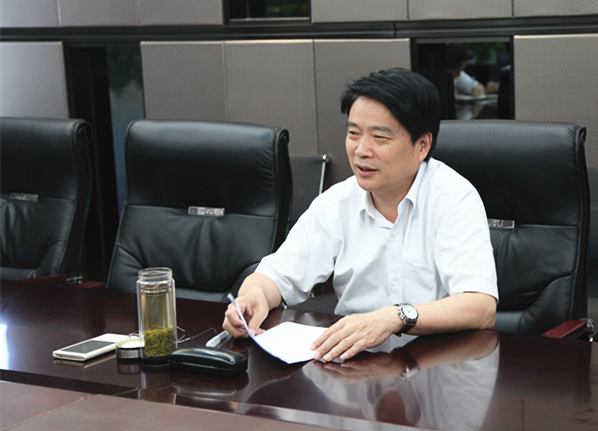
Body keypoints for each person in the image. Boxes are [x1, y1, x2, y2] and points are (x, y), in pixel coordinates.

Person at [223, 67, 498, 362]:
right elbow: (275, 276)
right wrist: (253, 297)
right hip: (353, 365)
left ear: (422, 146)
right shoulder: (337, 202)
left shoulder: (453, 198)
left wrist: (395, 317)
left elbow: (480, 307)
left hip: (435, 366)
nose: (361, 150)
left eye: (380, 137)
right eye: (353, 133)